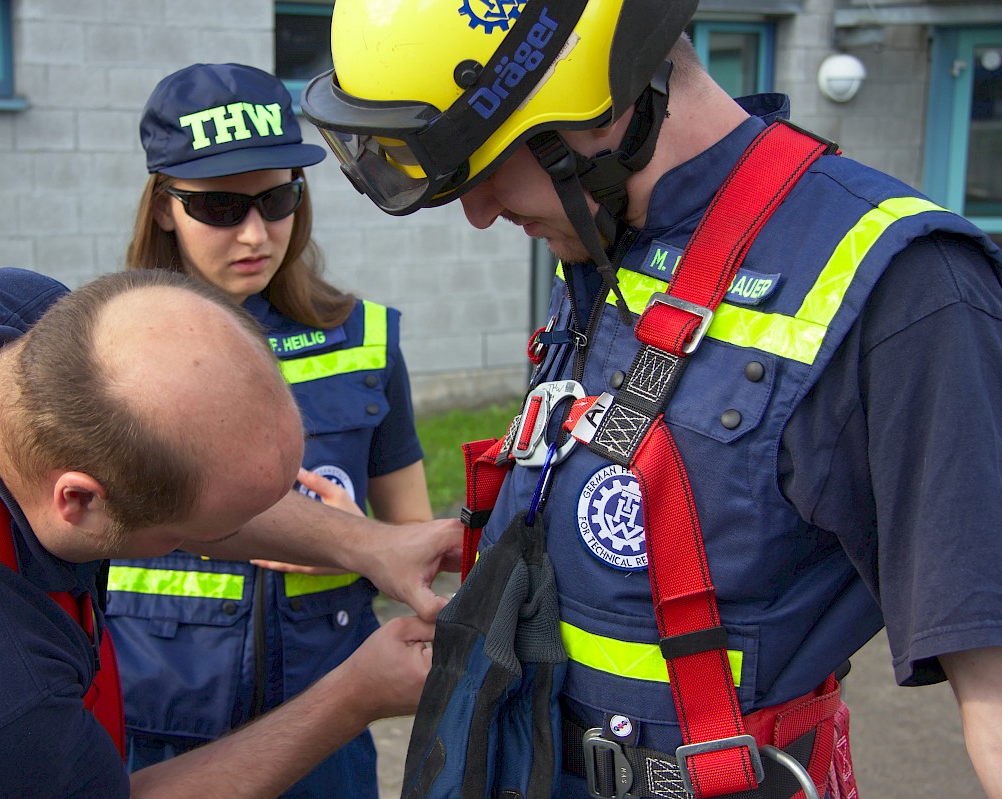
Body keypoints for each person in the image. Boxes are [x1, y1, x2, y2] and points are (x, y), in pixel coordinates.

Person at [300, 1, 1002, 797]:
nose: (480, 209)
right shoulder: (612, 245)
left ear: (602, 104)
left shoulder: (913, 290)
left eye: (487, 161)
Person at [0, 266, 457, 799]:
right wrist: (354, 693)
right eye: (215, 528)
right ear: (79, 502)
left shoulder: (1, 317)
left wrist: (375, 543)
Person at [105, 62, 434, 794]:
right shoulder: (105, 349)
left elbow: (415, 533)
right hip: (157, 720)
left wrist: (357, 539)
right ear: (164, 207)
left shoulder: (365, 339)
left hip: (327, 719)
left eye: (279, 198)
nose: (256, 233)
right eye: (220, 208)